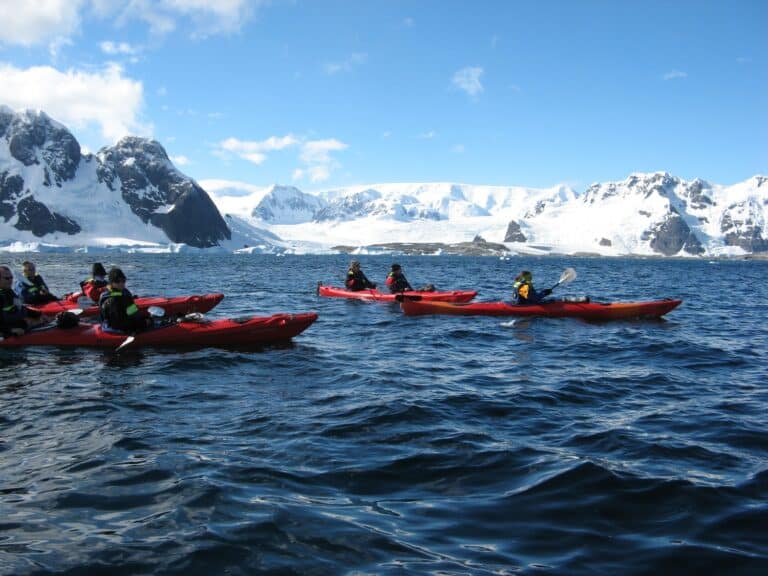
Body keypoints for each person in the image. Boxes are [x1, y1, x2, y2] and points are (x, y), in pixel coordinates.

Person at [98, 267, 153, 333]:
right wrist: (145, 322)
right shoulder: (119, 299)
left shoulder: (106, 295)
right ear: (111, 283)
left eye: (123, 281)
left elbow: (132, 312)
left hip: (108, 326)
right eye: (117, 281)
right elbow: (129, 319)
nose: (121, 283)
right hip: (121, 329)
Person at [0, 265, 46, 336]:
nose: (10, 280)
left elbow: (20, 307)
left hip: (18, 325)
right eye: (7, 278)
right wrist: (9, 331)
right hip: (8, 331)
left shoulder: (9, 291)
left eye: (11, 277)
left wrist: (38, 314)